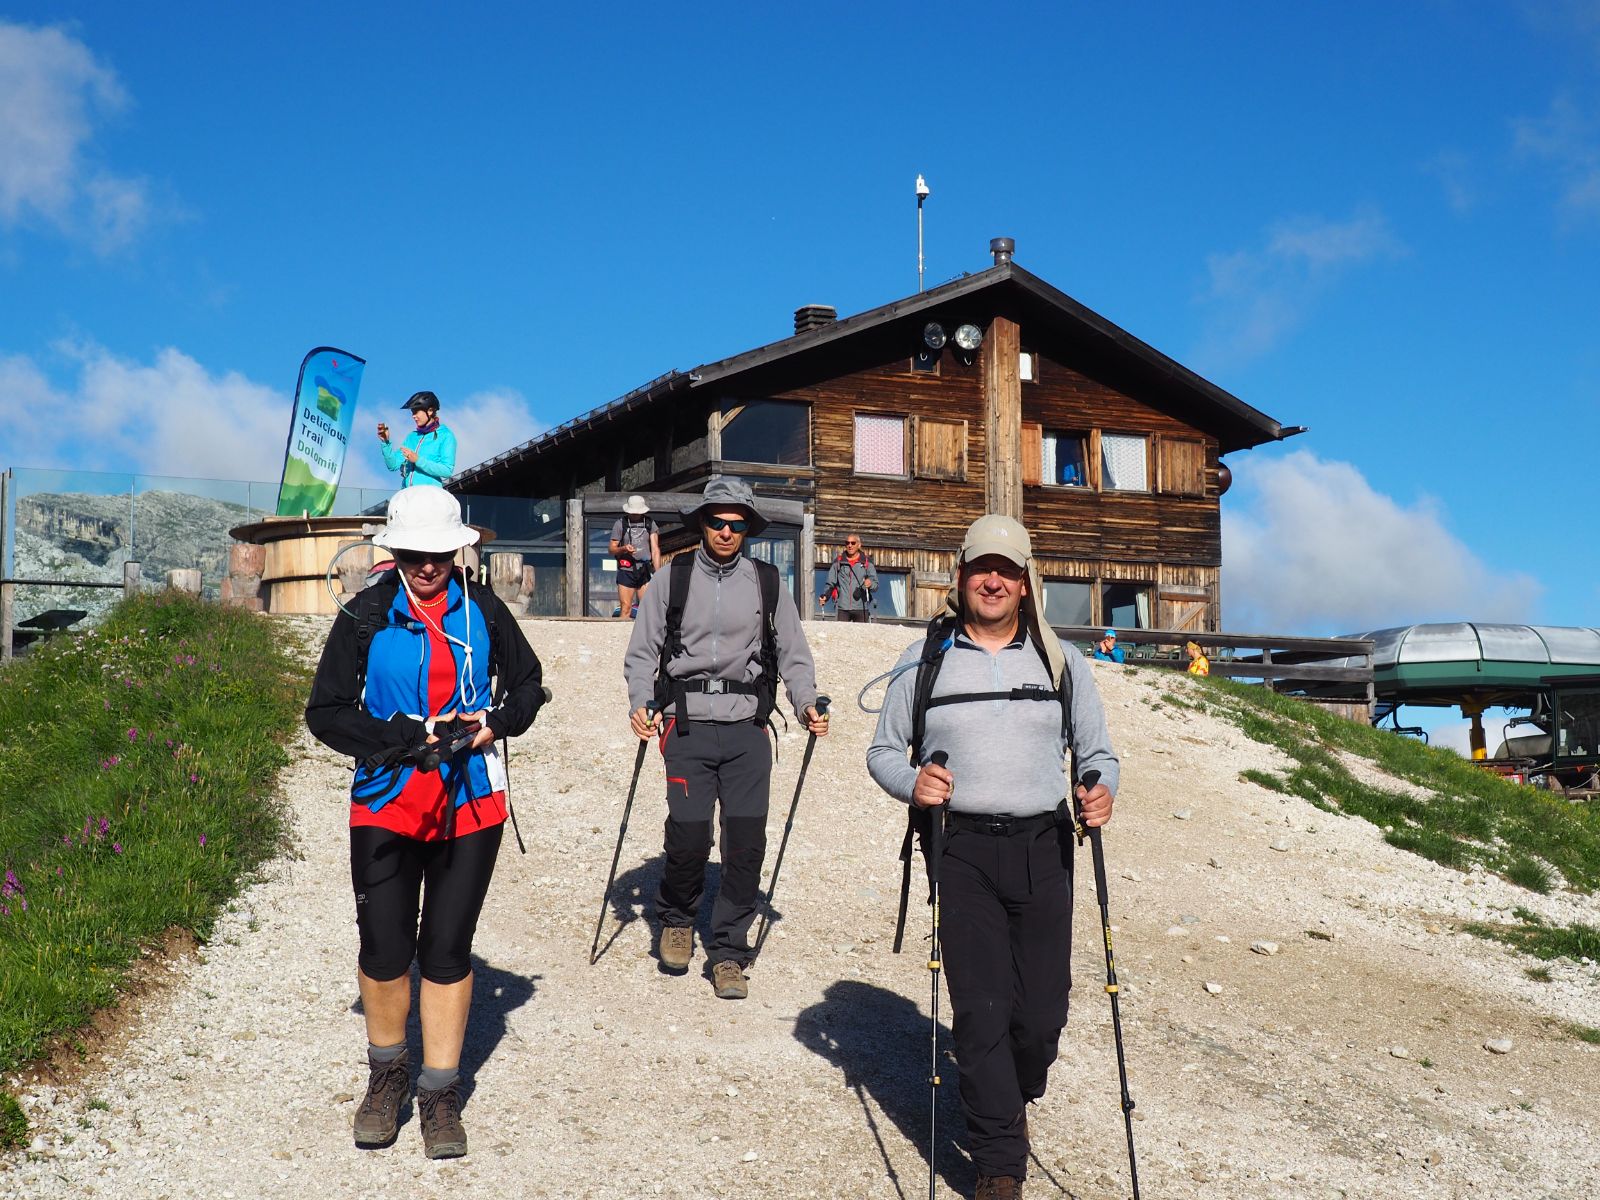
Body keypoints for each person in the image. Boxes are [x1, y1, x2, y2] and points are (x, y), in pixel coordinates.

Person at [866, 513, 1119, 1200]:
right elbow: (884, 753)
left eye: (1008, 570)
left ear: (1026, 581)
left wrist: (1100, 793)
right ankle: (999, 1162)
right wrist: (912, 784)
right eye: (983, 567)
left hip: (1045, 847)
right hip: (963, 849)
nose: (994, 580)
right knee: (978, 1010)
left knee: (1040, 1019)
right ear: (961, 576)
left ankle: (1013, 1092)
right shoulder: (925, 661)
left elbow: (1098, 756)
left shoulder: (1060, 659)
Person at [305, 487, 544, 1159]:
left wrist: (494, 723)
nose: (427, 565)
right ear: (396, 551)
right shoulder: (365, 614)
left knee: (444, 949)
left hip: (470, 802)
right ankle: (387, 1078)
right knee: (384, 948)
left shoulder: (485, 611)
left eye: (439, 552)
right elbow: (324, 712)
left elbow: (529, 685)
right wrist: (400, 736)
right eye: (414, 552)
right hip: (386, 797)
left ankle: (439, 1092)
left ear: (457, 551)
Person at [622, 477, 828, 1000]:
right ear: (702, 524)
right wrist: (640, 701)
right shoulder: (673, 579)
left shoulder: (766, 582)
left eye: (737, 524)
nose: (727, 531)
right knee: (689, 836)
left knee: (745, 843)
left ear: (747, 529)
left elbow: (794, 654)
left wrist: (806, 701)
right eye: (717, 521)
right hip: (685, 724)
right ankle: (677, 918)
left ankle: (730, 949)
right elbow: (644, 651)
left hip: (748, 729)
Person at [378, 391, 457, 488]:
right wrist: (385, 442)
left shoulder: (446, 435)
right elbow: (393, 465)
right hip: (408, 495)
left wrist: (418, 460)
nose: (413, 416)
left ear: (430, 411)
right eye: (412, 412)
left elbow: (447, 470)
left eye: (416, 411)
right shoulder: (412, 437)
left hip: (430, 496)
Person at [609, 495, 662, 618]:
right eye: (632, 512)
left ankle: (647, 636)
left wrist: (658, 573)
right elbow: (611, 549)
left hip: (645, 569)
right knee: (626, 608)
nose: (635, 514)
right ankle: (621, 636)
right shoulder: (620, 524)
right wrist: (624, 548)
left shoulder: (650, 523)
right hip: (626, 569)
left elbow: (655, 549)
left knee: (648, 608)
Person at [819, 535, 877, 622]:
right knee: (841, 635)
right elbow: (830, 584)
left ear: (859, 545)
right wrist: (825, 597)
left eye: (853, 543)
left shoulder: (867, 562)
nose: (850, 545)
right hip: (842, 608)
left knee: (862, 635)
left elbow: (875, 585)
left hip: (861, 608)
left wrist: (870, 584)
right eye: (847, 543)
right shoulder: (838, 562)